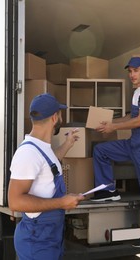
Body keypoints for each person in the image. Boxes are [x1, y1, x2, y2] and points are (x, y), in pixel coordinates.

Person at [91, 57, 140, 247]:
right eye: (130, 71)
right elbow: (131, 116)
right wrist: (111, 121)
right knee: (100, 150)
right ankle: (107, 190)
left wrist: (113, 127)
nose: (132, 75)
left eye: (136, 70)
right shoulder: (137, 92)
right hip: (133, 143)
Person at [8, 93, 85, 260]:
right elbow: (15, 201)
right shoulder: (28, 153)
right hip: (37, 241)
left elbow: (48, 165)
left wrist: (68, 144)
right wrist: (62, 202)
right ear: (55, 118)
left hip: (48, 237)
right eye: (60, 114)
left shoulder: (42, 148)